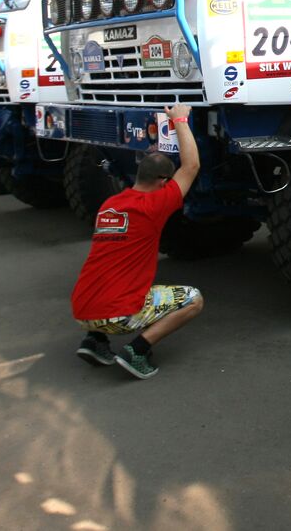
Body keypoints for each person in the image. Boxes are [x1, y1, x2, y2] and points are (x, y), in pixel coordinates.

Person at [70, 103, 202, 380]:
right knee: (193, 299)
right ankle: (137, 351)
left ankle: (95, 341)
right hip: (118, 314)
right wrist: (180, 119)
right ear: (163, 181)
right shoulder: (155, 204)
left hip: (82, 309)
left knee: (115, 269)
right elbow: (191, 166)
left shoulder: (110, 204)